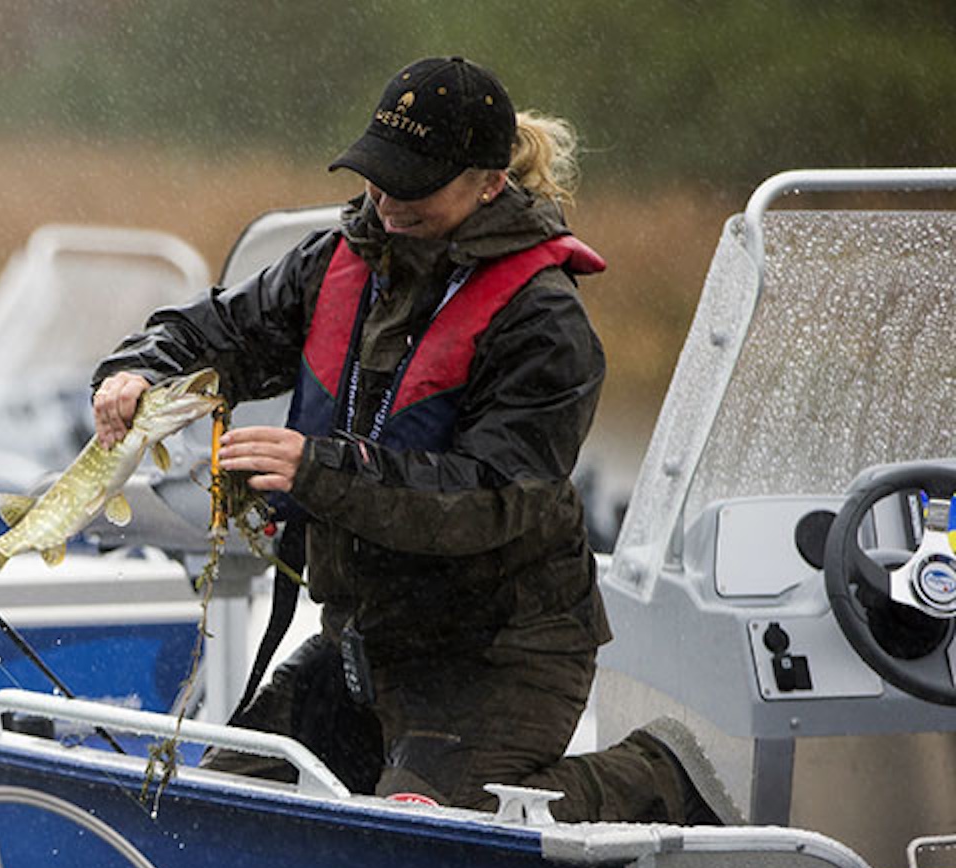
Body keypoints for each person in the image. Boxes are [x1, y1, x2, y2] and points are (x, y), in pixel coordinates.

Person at [91, 57, 726, 825]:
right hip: (367, 646)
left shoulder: (546, 323)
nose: (386, 201)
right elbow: (217, 329)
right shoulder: (333, 262)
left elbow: (491, 497)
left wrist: (318, 470)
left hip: (500, 658)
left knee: (424, 834)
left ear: (489, 183)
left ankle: (651, 781)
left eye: (413, 184)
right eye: (376, 175)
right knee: (222, 808)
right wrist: (138, 370)